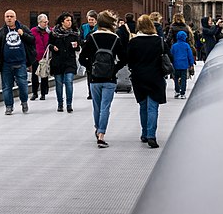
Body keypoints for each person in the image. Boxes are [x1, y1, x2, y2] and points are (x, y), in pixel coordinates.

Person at [79, 10, 125, 148]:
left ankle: (98, 128)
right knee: (106, 107)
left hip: (95, 78)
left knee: (97, 107)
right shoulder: (115, 38)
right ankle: (101, 134)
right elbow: (124, 58)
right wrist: (114, 69)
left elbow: (82, 58)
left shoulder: (92, 37)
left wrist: (91, 67)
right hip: (109, 79)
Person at [127, 14, 168, 148]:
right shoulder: (159, 41)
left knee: (143, 106)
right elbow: (168, 57)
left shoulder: (133, 42)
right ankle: (151, 135)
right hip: (155, 77)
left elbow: (129, 60)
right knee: (153, 108)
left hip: (139, 77)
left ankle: (144, 133)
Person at [0, 10, 36, 115]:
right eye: (7, 16)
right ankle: (9, 107)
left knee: (23, 85)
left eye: (11, 16)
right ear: (4, 18)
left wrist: (23, 34)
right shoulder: (0, 32)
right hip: (6, 64)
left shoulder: (23, 29)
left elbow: (32, 40)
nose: (9, 18)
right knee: (6, 87)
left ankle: (24, 102)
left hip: (21, 63)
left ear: (15, 18)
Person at [49, 11, 81, 113]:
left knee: (69, 81)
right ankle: (60, 104)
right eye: (67, 20)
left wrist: (76, 46)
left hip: (69, 62)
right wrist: (53, 47)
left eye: (70, 20)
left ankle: (69, 104)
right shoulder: (54, 33)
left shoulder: (74, 33)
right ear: (62, 22)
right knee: (58, 83)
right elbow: (49, 45)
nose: (69, 22)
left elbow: (78, 47)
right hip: (57, 62)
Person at [31, 13, 50, 101]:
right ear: (39, 22)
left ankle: (43, 93)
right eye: (44, 22)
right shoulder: (33, 31)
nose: (46, 24)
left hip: (45, 57)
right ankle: (34, 93)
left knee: (44, 75)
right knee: (34, 76)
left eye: (46, 22)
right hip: (36, 56)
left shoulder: (49, 31)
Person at [170, 30, 194, 99]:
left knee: (176, 79)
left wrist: (171, 63)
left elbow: (171, 55)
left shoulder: (174, 46)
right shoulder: (186, 45)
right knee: (184, 79)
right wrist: (191, 63)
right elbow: (190, 55)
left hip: (176, 65)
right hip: (184, 65)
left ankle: (177, 91)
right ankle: (182, 93)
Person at [81, 10, 98, 99]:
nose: (90, 21)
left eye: (92, 20)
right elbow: (81, 40)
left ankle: (95, 92)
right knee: (89, 74)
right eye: (89, 20)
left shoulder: (98, 28)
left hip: (96, 54)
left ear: (96, 20)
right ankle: (90, 92)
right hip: (87, 54)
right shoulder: (84, 27)